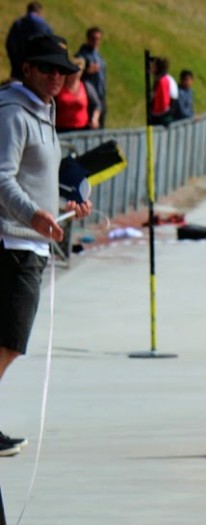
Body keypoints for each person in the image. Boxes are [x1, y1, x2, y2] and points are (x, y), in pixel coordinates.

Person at [0, 33, 91, 456]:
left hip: (28, 242)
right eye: (48, 68)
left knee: (8, 342)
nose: (58, 77)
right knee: (11, 341)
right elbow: (2, 178)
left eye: (63, 70)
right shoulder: (14, 113)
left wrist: (60, 202)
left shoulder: (43, 110)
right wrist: (33, 214)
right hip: (13, 243)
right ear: (27, 69)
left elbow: (35, 177)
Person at [4, 2, 51, 83]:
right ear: (40, 12)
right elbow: (50, 50)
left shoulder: (18, 23)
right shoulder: (46, 28)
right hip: (36, 70)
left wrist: (15, 61)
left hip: (17, 67)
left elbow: (10, 44)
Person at [54, 56, 100, 132]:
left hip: (82, 130)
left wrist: (95, 119)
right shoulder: (59, 87)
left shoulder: (86, 86)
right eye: (73, 70)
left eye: (79, 70)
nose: (76, 73)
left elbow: (97, 105)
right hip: (61, 130)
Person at [75, 26, 106, 127]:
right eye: (93, 38)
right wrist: (87, 71)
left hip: (100, 95)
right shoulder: (82, 55)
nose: (96, 41)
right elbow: (75, 72)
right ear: (88, 39)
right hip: (89, 96)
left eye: (98, 39)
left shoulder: (99, 55)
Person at [148, 56, 176, 126]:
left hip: (162, 117)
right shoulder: (163, 78)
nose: (151, 68)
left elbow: (164, 102)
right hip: (163, 114)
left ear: (157, 68)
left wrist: (154, 113)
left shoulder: (162, 80)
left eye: (153, 66)